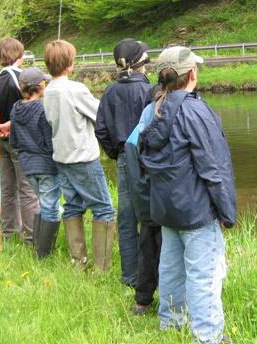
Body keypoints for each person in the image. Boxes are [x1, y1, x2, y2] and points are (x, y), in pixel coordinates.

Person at [140, 46, 237, 344]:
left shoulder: (152, 108)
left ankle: (170, 324)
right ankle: (208, 337)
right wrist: (227, 213)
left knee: (170, 267)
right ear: (192, 73)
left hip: (166, 210)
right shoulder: (196, 110)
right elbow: (214, 167)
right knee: (203, 276)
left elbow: (140, 161)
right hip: (196, 211)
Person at [43, 40, 116, 271]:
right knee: (104, 209)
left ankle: (78, 263)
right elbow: (101, 114)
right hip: (83, 158)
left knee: (73, 207)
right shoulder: (75, 89)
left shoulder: (48, 90)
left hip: (62, 158)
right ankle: (101, 268)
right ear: (70, 64)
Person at [95, 38, 152, 288]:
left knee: (127, 219)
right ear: (141, 64)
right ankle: (152, 275)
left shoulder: (110, 92)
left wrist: (116, 154)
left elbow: (101, 130)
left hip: (122, 161)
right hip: (148, 160)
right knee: (150, 218)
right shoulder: (149, 91)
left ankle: (130, 277)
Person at [0, 38, 39, 244]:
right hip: (22, 140)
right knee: (27, 190)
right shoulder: (23, 78)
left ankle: (9, 234)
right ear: (19, 54)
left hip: (2, 139)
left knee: (7, 188)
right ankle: (31, 236)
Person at [9, 67, 61, 259]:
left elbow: (13, 141)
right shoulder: (41, 108)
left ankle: (39, 248)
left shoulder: (15, 108)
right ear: (39, 87)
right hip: (46, 165)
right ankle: (44, 255)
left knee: (43, 204)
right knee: (50, 207)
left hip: (27, 165)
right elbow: (49, 142)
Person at [124, 100, 161, 316]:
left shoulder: (141, 123)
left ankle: (143, 301)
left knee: (147, 249)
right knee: (159, 251)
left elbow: (131, 153)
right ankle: (155, 299)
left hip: (147, 199)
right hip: (160, 200)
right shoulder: (156, 116)